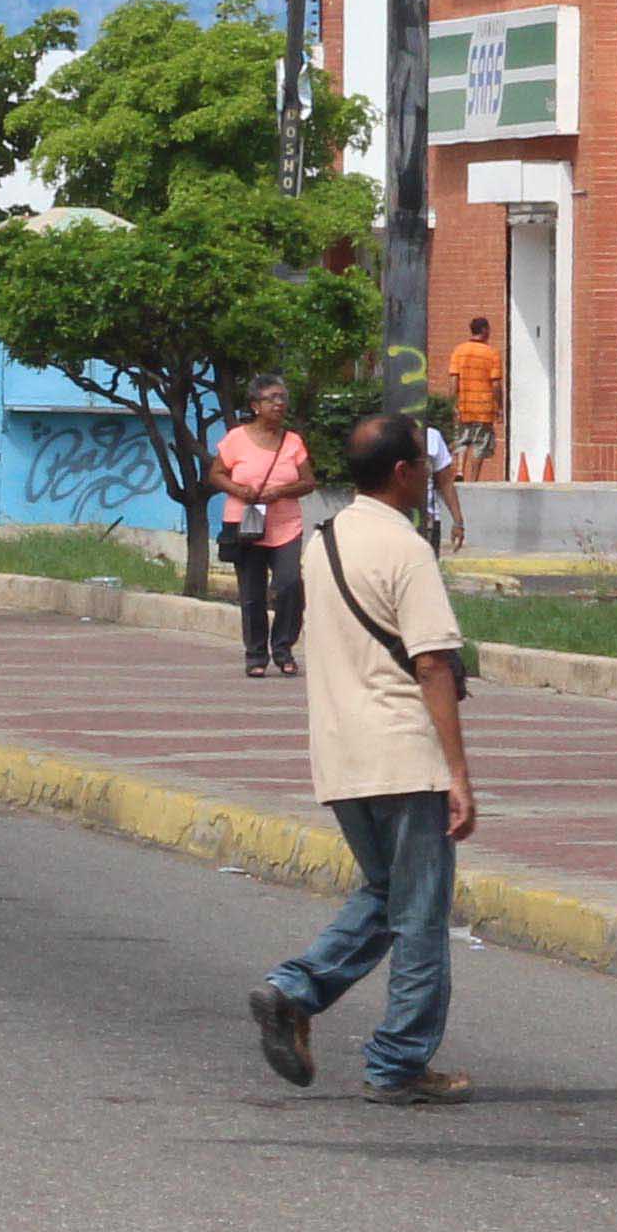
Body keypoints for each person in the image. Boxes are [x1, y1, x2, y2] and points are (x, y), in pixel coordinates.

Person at [249, 409, 480, 1107]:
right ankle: (400, 1060)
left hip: (341, 753)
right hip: (404, 755)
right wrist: (460, 775)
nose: (433, 473)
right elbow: (434, 663)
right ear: (404, 474)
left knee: (387, 894)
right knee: (420, 916)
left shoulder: (326, 540)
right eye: (425, 461)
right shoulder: (406, 549)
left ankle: (295, 993)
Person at [210, 374, 316, 680]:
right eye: (272, 398)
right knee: (252, 594)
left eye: (282, 397)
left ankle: (283, 649)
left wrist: (281, 492)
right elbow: (215, 474)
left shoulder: (292, 441)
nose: (279, 404)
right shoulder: (236, 439)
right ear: (255, 405)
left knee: (289, 585)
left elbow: (309, 482)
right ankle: (256, 654)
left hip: (286, 526)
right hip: (245, 526)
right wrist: (239, 490)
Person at [441, 316, 506, 476]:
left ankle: (460, 471)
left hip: (463, 406)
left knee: (462, 441)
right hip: (483, 408)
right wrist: (499, 408)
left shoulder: (459, 351)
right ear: (484, 330)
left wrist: (452, 403)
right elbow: (496, 384)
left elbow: (453, 380)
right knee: (479, 445)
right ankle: (474, 478)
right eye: (488, 329)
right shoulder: (492, 354)